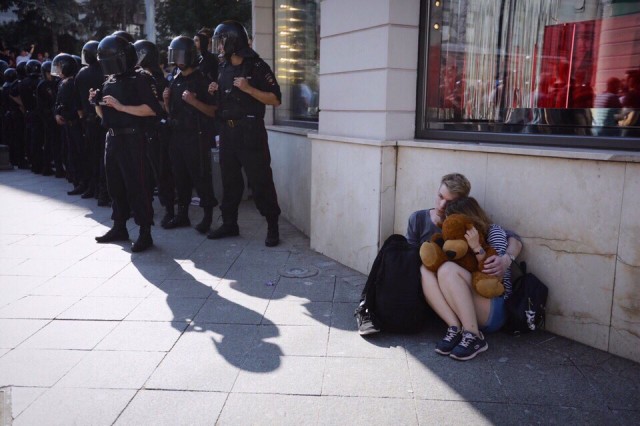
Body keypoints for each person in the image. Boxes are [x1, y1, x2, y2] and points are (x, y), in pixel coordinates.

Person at [354, 174, 522, 341]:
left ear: (461, 204)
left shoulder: (474, 228)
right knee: (395, 244)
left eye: (449, 203)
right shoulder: (418, 218)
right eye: (440, 197)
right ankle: (366, 306)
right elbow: (409, 260)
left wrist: (507, 258)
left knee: (445, 269)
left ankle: (470, 334)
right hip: (430, 290)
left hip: (473, 297)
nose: (442, 205)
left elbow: (513, 238)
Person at [206, 20, 282, 247]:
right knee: (230, 181)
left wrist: (249, 88)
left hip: (250, 130)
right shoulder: (222, 67)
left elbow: (276, 99)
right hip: (227, 131)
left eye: (222, 42)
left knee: (260, 181)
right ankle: (230, 223)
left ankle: (272, 226)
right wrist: (214, 91)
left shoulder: (256, 66)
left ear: (232, 42)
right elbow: (222, 102)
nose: (219, 47)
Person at [91, 34, 164, 252]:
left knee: (138, 185)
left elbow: (153, 110)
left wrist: (122, 107)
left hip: (133, 138)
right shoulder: (110, 80)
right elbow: (103, 113)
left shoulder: (140, 78)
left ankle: (144, 232)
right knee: (115, 185)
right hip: (112, 138)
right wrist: (96, 102)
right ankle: (119, 226)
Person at [429, 196, 513, 361]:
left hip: (494, 307)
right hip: (470, 306)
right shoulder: (454, 239)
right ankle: (455, 328)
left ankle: (474, 336)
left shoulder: (493, 232)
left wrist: (476, 247)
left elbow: (496, 276)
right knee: (426, 270)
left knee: (448, 269)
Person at [162, 35, 218, 233]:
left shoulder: (202, 80)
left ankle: (208, 217)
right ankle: (182, 215)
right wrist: (167, 102)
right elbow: (172, 112)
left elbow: (213, 111)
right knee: (180, 177)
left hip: (197, 136)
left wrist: (194, 102)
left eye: (180, 56)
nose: (177, 60)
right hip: (177, 135)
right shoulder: (175, 79)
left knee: (200, 177)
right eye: (174, 56)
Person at [134, 39, 175, 226]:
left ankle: (169, 209)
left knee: (161, 171)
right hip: (142, 130)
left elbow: (165, 108)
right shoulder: (138, 77)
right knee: (145, 173)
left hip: (158, 131)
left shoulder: (159, 80)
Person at [75, 40, 107, 202]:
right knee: (104, 156)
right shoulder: (106, 71)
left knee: (92, 156)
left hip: (88, 120)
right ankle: (103, 192)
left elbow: (78, 100)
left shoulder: (81, 74)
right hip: (104, 118)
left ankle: (92, 188)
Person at [52, 53, 86, 195]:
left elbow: (73, 106)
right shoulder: (63, 83)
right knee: (71, 154)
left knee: (78, 154)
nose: (58, 70)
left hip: (74, 124)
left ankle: (82, 183)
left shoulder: (72, 84)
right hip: (68, 124)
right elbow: (58, 103)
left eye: (60, 67)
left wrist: (61, 113)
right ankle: (77, 181)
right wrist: (57, 113)